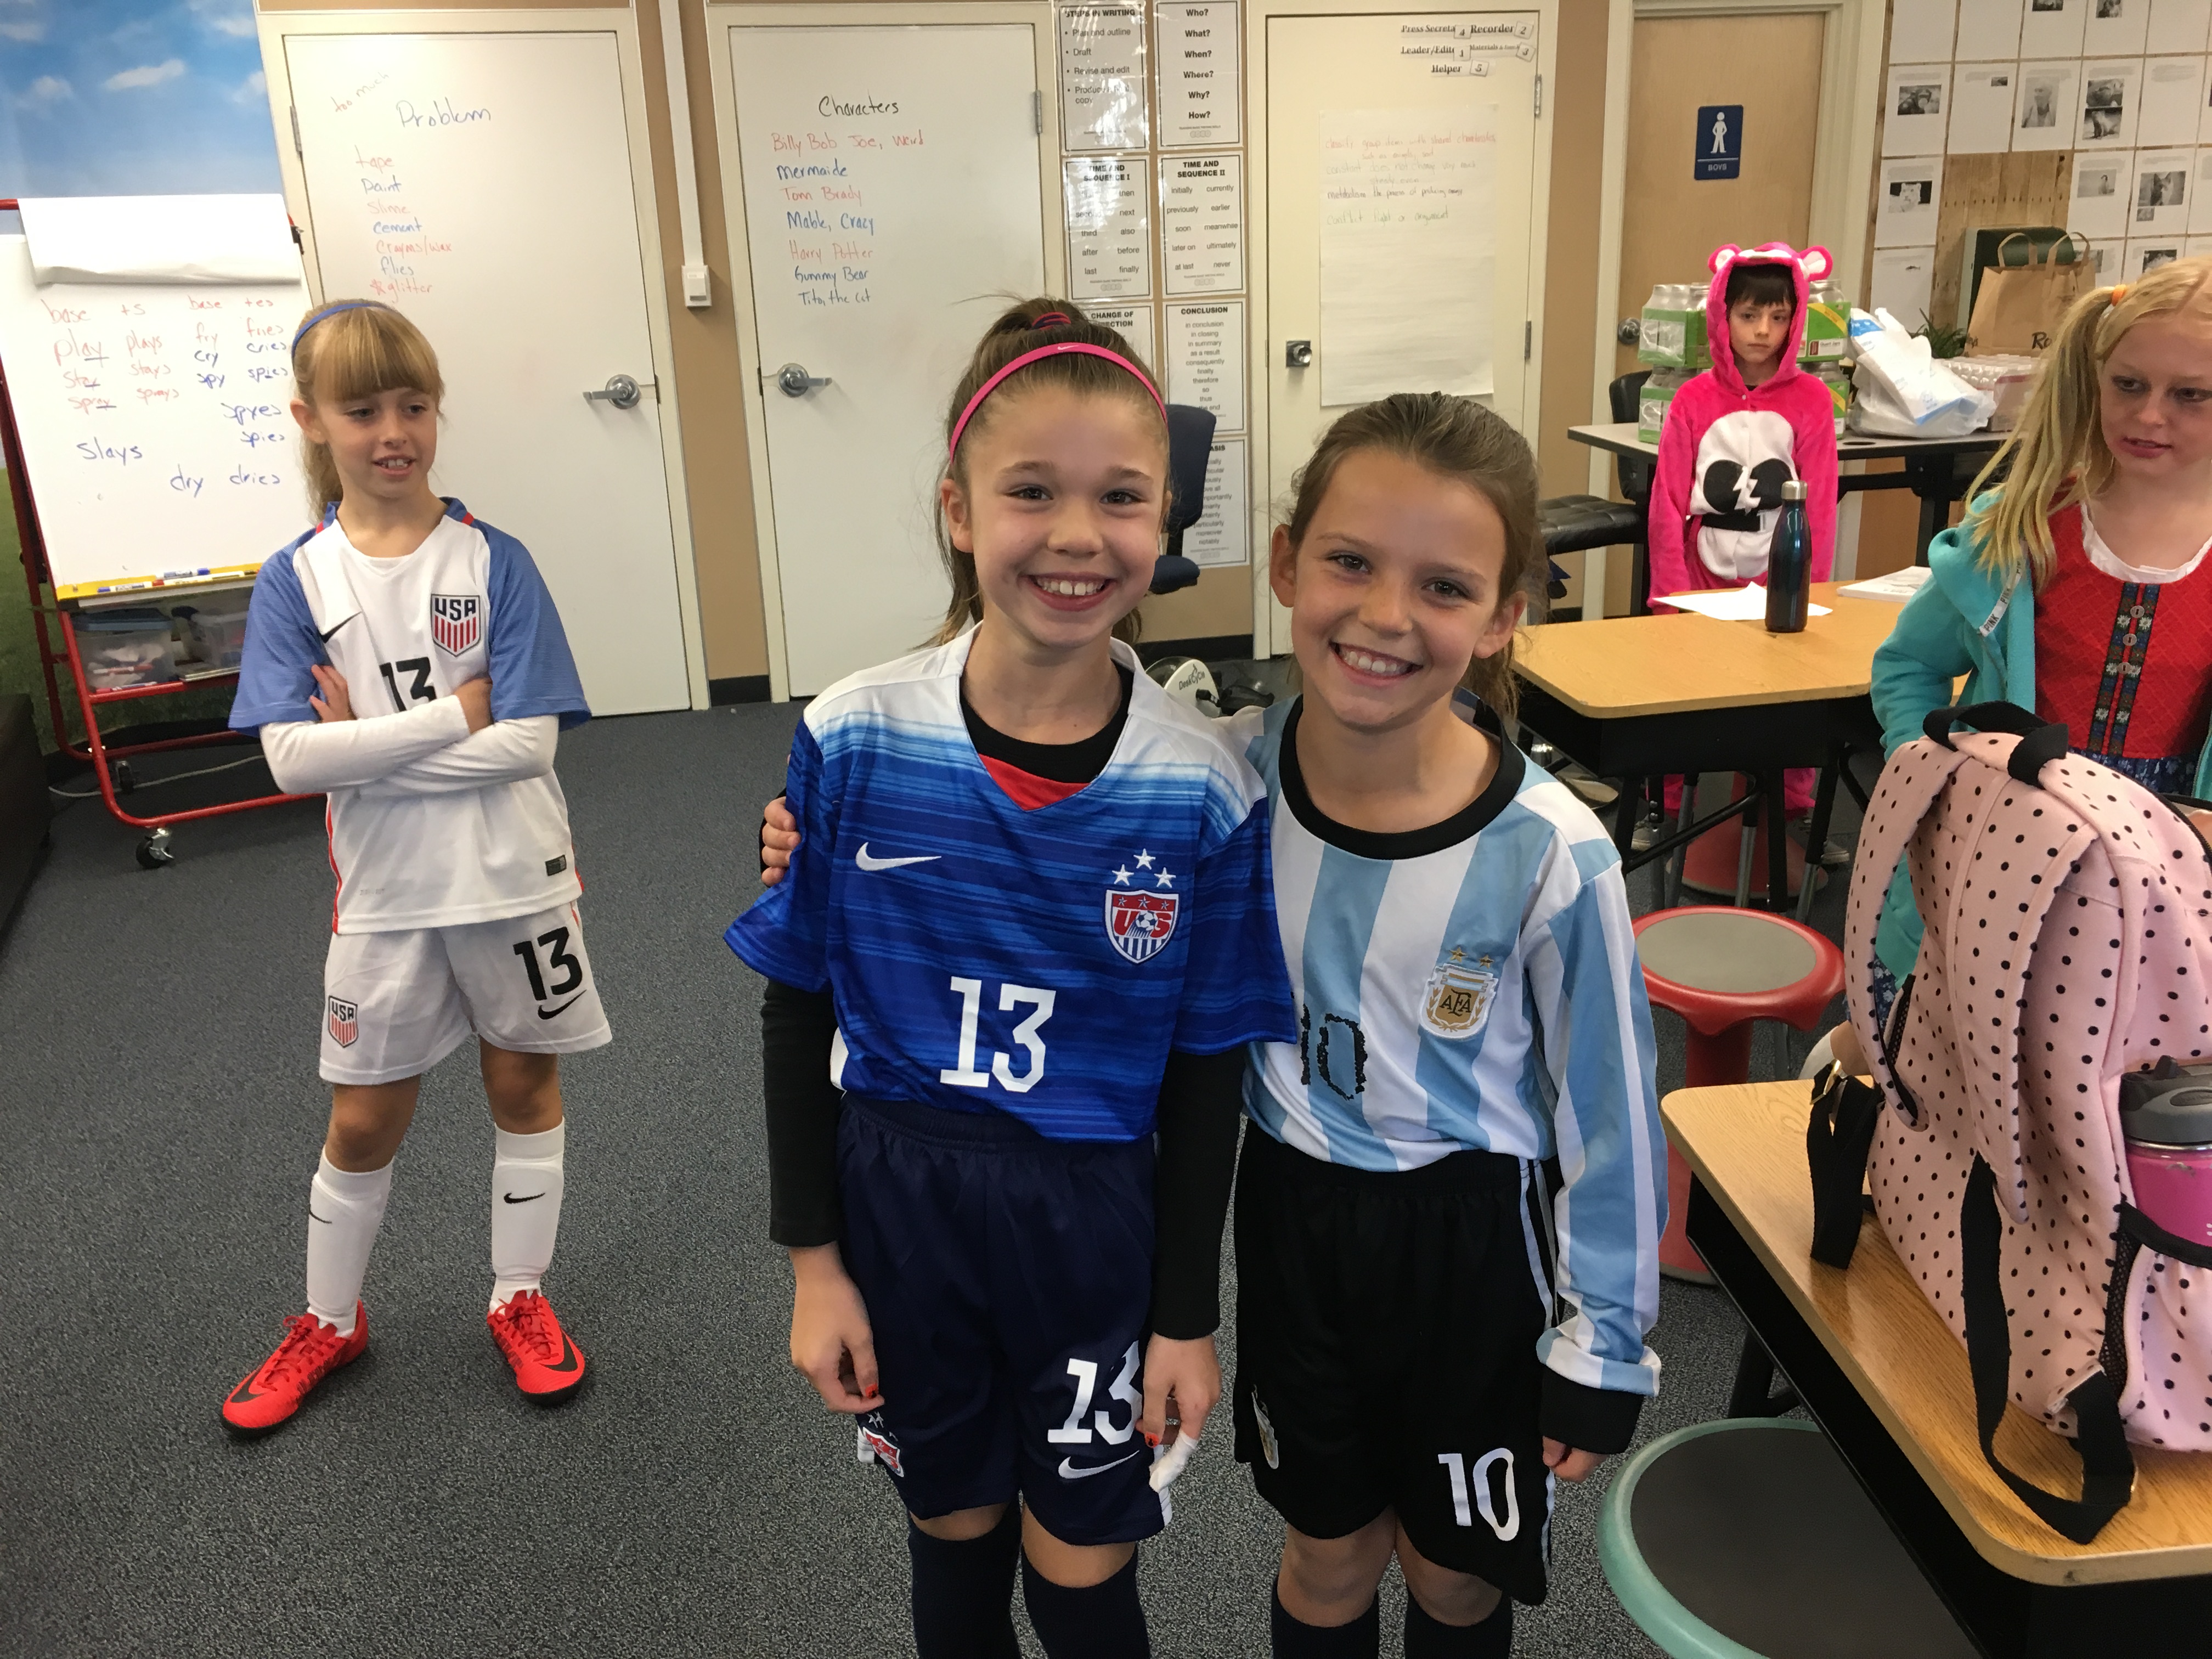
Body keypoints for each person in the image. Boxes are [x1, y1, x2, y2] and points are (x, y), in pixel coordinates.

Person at [759, 393, 1667, 1657]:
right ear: (1286, 563)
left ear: (1506, 613)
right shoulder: (1227, 782)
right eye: (1349, 562)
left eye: (1445, 587)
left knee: (1455, 1575)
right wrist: (818, 841)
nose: (1386, 615)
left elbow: (1613, 1120)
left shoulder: (1551, 855)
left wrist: (1605, 1343)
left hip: (1471, 1244)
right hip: (1290, 1219)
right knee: (1327, 1550)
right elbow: (1042, 848)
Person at [724, 299, 1295, 1659]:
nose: (1078, 534)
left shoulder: (1201, 782)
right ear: (960, 509)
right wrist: (815, 1264)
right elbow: (798, 1005)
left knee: (1083, 1568)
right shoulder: (856, 735)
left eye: (1122, 497)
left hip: (1092, 1221)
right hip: (902, 1203)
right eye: (1031, 491)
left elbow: (1207, 1068)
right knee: (955, 1533)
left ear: (1167, 520)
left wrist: (1184, 1317)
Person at [219, 300, 603, 1436]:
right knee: (362, 1119)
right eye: (362, 410)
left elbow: (529, 744)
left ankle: (519, 1294)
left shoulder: (495, 560)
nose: (393, 431)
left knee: (522, 1086)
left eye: (414, 404)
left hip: (515, 878)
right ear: (310, 420)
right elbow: (291, 759)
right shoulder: (298, 581)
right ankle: (329, 1319)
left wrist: (366, 747)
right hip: (387, 897)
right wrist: (451, 716)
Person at [1858, 259, 2212, 1035]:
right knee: (1954, 1058)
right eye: (2128, 385)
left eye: (2190, 395)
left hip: (2172, 883)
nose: (2150, 415)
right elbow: (1909, 665)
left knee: (2116, 1083)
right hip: (2002, 849)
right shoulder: (2021, 531)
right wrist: (1934, 779)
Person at [1648, 241, 1841, 835]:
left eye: (1778, 317)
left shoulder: (1812, 401)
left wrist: (1809, 590)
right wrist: (1670, 596)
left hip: (1777, 566)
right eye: (1749, 315)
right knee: (1683, 688)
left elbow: (1821, 504)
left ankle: (1789, 808)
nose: (1762, 331)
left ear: (1795, 319)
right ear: (1722, 316)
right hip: (1702, 569)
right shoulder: (1692, 400)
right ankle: (1670, 804)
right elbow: (1667, 504)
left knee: (1786, 689)